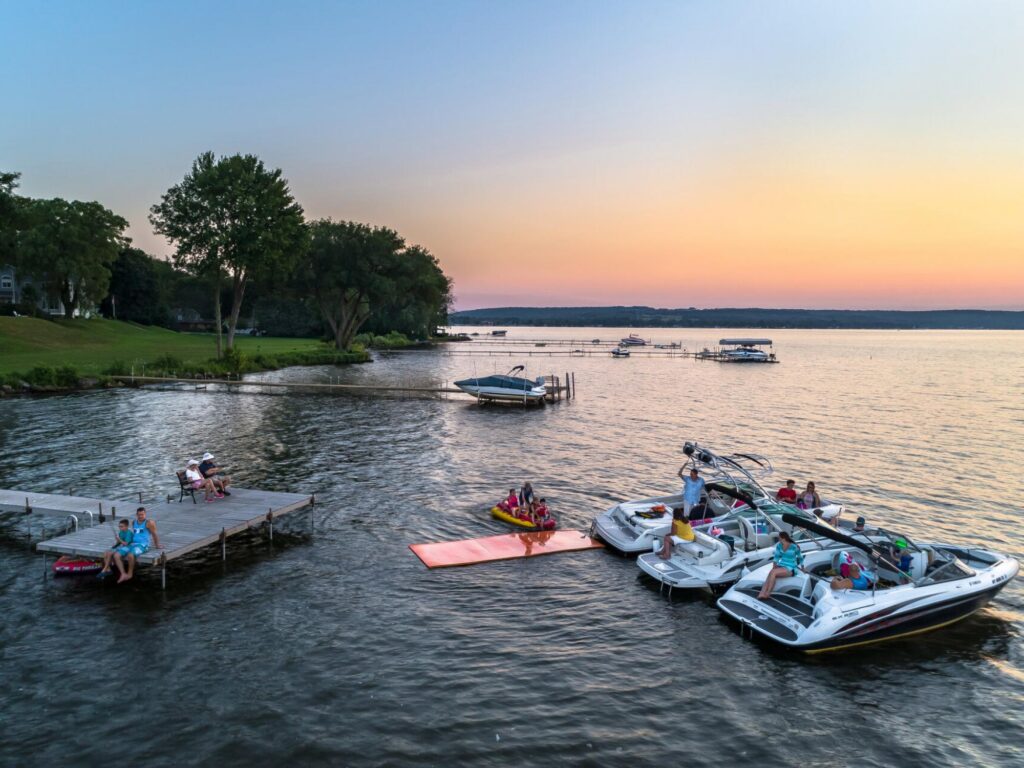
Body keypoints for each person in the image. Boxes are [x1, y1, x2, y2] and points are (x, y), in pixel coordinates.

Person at [119, 507, 162, 583]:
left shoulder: (149, 523)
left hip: (143, 545)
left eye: (142, 514)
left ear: (145, 514)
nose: (141, 516)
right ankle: (122, 573)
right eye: (139, 515)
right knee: (118, 552)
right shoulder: (133, 522)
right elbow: (135, 534)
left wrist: (157, 545)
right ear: (136, 515)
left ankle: (129, 574)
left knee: (130, 555)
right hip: (133, 543)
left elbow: (154, 534)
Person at [757, 531, 803, 599]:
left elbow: (800, 558)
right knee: (771, 572)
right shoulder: (779, 546)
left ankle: (767, 593)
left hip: (791, 568)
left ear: (783, 538)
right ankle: (762, 593)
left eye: (779, 537)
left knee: (773, 572)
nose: (778, 538)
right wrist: (774, 566)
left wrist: (803, 567)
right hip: (782, 566)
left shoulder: (794, 547)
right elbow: (776, 557)